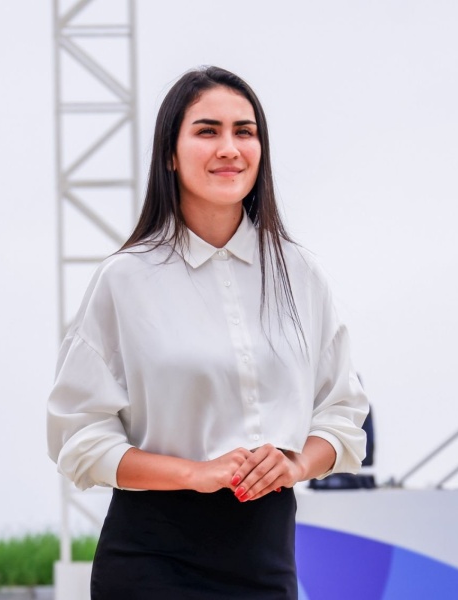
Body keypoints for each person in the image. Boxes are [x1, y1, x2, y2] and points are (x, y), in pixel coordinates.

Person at [47, 65, 369, 600]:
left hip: (265, 562)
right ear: (170, 155)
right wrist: (194, 474)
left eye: (244, 131)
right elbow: (77, 437)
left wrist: (294, 463)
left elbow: (342, 413)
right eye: (207, 131)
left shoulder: (301, 275)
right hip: (151, 564)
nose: (229, 148)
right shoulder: (124, 279)